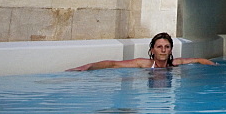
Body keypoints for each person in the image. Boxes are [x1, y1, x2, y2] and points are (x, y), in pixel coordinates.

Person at [68, 32, 217, 71]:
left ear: (171, 49)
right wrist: (88, 66)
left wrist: (214, 65)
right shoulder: (144, 64)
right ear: (152, 49)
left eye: (166, 47)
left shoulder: (175, 64)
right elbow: (113, 64)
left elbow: (198, 60)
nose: (163, 50)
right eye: (159, 47)